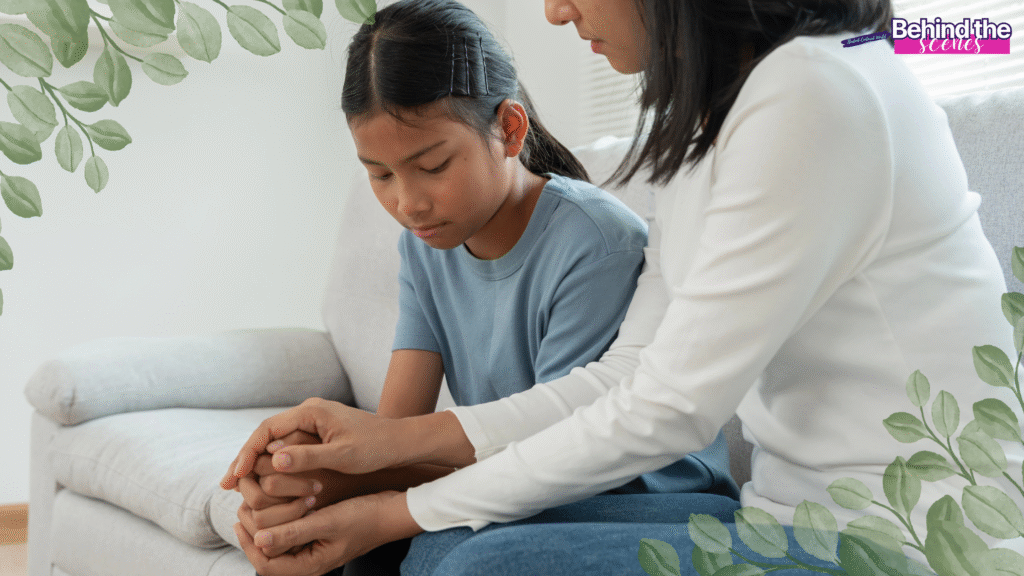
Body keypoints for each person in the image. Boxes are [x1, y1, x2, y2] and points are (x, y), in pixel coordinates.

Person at [223, 0, 1023, 574]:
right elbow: (628, 373)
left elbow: (670, 411)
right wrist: (382, 450)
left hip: (904, 541)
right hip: (783, 517)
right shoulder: (715, 119)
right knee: (437, 548)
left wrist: (389, 506)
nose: (554, 12)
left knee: (476, 565)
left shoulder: (816, 88)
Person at [221, 0, 738, 573]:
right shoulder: (424, 246)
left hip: (638, 497)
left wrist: (343, 484)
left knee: (431, 548)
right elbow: (393, 437)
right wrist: (305, 482)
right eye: (381, 175)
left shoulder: (595, 242)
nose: (408, 203)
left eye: (434, 165)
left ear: (509, 129)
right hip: (522, 481)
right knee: (337, 541)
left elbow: (563, 455)